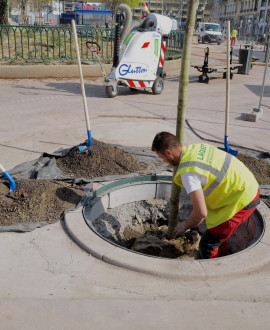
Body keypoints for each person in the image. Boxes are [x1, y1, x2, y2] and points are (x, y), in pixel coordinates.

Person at [152, 132, 260, 259]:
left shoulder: (188, 173)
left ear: (169, 153)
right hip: (247, 186)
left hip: (241, 200)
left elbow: (201, 213)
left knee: (208, 245)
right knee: (218, 236)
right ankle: (222, 256)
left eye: (162, 157)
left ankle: (215, 275)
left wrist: (185, 225)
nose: (163, 161)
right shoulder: (199, 148)